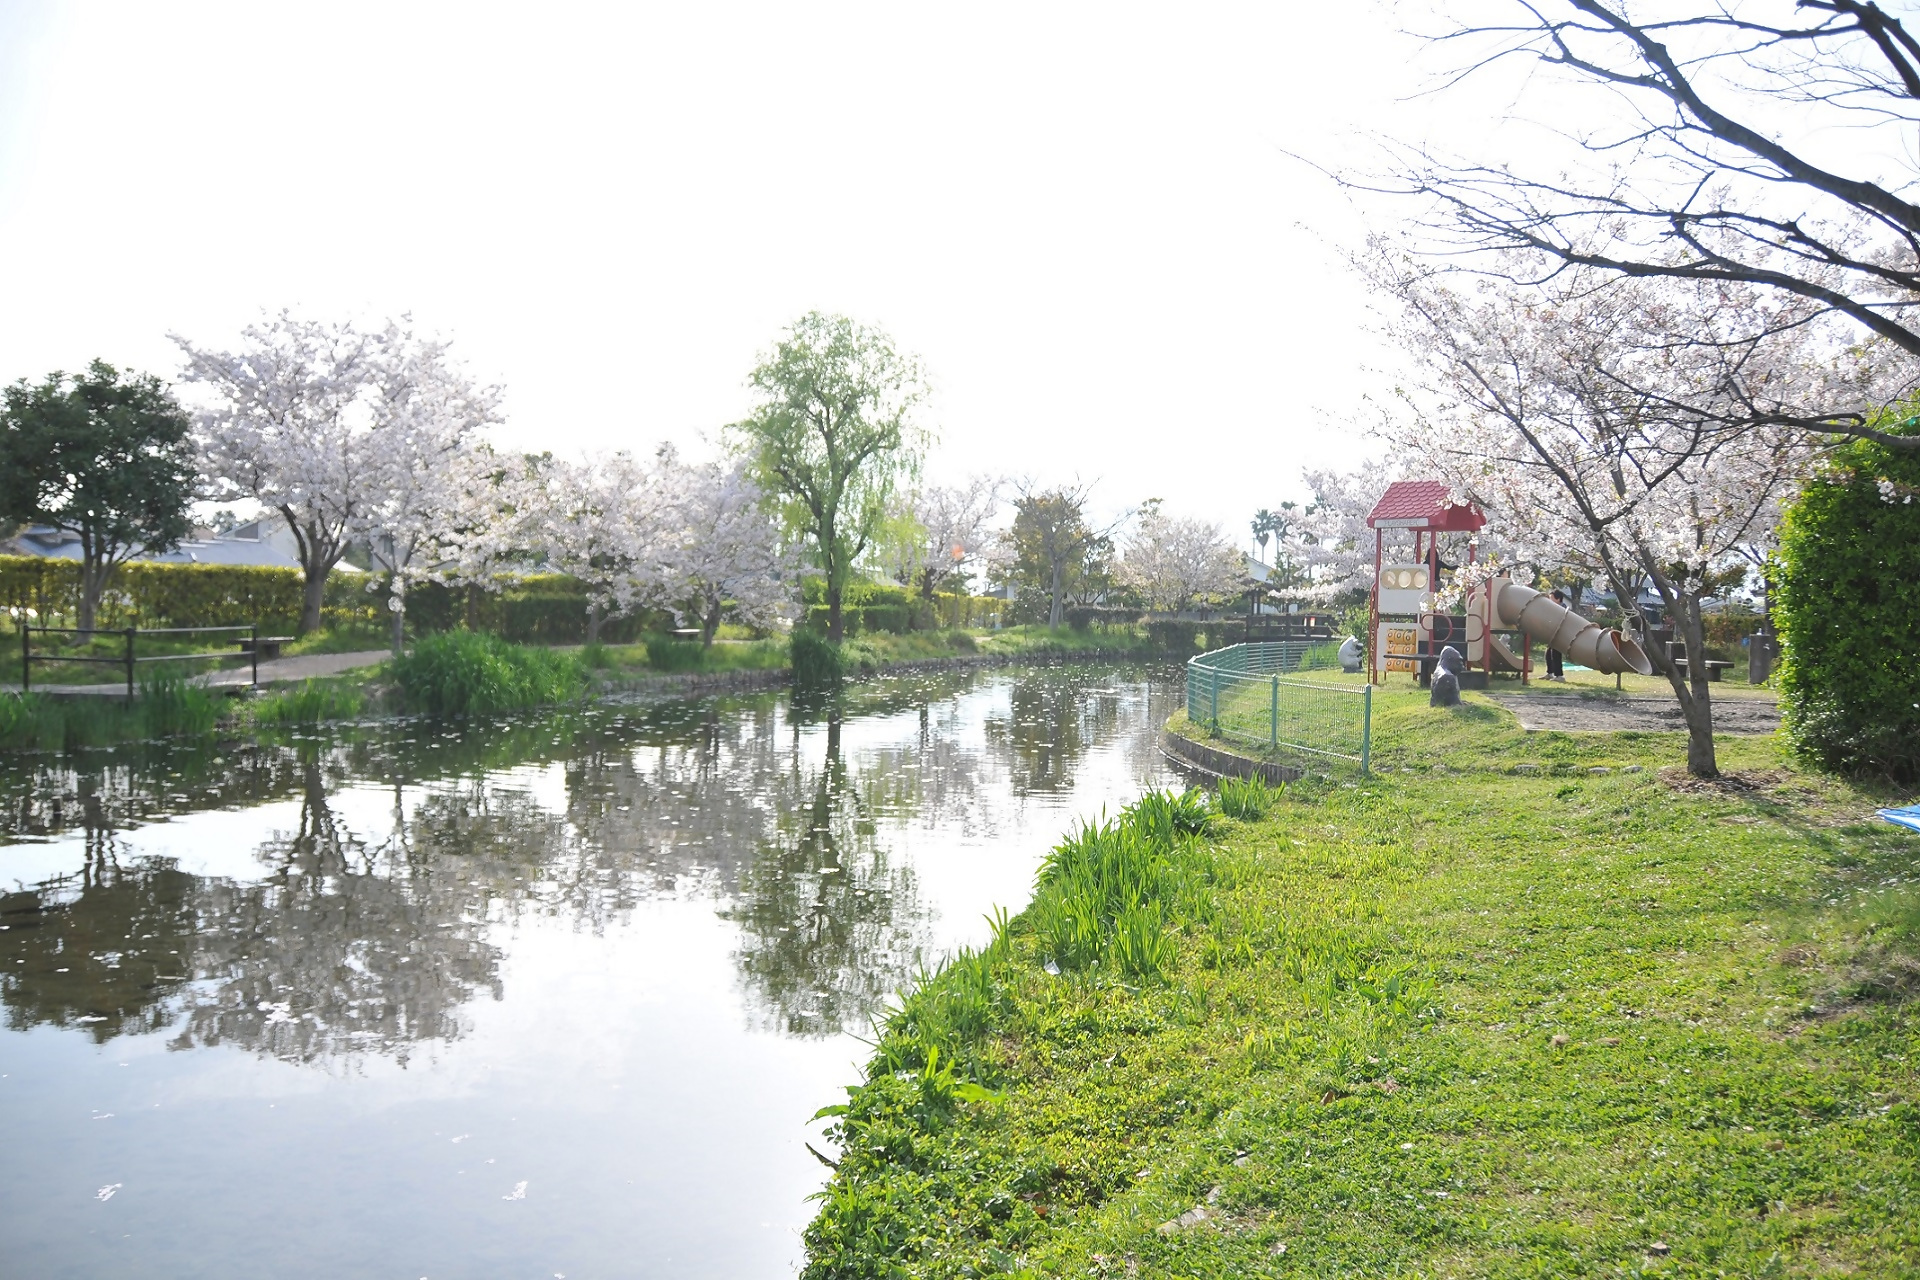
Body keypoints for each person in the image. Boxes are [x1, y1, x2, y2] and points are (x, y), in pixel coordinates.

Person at [1545, 590, 1567, 681]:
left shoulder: (1562, 609)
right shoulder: (1555, 608)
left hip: (1560, 635)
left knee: (1556, 654)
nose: (1550, 601)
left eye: (1552, 598)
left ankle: (1559, 676)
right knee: (1548, 653)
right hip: (1554, 634)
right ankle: (1550, 673)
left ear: (1558, 599)